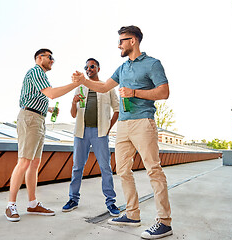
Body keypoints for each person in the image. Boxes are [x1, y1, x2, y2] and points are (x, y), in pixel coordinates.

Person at [72, 26, 173, 239]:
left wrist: (134, 92)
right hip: (124, 126)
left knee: (153, 170)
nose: (119, 45)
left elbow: (164, 92)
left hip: (143, 122)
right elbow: (103, 87)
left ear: (133, 41)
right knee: (123, 171)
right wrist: (83, 81)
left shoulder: (152, 64)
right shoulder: (122, 67)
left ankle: (164, 222)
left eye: (122, 40)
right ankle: (132, 214)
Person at [5, 48, 82, 222]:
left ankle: (32, 204)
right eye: (50, 57)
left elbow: (32, 97)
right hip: (30, 119)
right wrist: (76, 84)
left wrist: (48, 108)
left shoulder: (40, 76)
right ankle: (10, 205)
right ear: (39, 58)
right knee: (24, 161)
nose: (52, 60)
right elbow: (52, 93)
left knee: (34, 163)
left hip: (38, 119)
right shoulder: (36, 71)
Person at [62, 58, 120, 216]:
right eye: (86, 67)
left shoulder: (107, 88)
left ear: (98, 68)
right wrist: (73, 103)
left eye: (92, 66)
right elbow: (73, 114)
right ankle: (73, 199)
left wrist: (108, 127)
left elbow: (117, 109)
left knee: (105, 168)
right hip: (81, 133)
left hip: (100, 133)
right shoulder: (80, 87)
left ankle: (111, 202)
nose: (89, 69)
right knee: (77, 168)